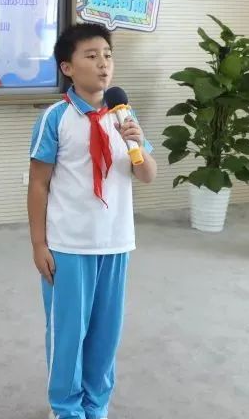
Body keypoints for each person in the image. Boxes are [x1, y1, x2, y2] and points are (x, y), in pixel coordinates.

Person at [27, 23, 157, 419]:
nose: (103, 64)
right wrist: (39, 244)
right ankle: (66, 408)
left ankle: (95, 405)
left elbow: (147, 174)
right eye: (92, 55)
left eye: (107, 55)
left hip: (115, 242)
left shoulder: (124, 116)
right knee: (68, 334)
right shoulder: (56, 118)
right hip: (68, 245)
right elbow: (38, 184)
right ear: (67, 67)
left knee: (105, 334)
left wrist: (136, 141)